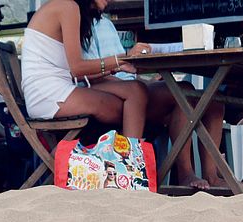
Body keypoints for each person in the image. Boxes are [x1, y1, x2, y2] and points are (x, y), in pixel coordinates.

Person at [81, 11, 226, 190]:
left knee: (215, 103)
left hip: (128, 85)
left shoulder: (106, 23)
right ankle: (186, 173)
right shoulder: (80, 22)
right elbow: (91, 74)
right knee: (183, 91)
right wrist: (132, 75)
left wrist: (144, 81)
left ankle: (212, 175)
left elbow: (122, 67)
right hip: (109, 90)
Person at [21, 0, 149, 139]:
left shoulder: (68, 7)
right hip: (48, 96)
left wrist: (116, 66)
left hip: (59, 88)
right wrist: (122, 58)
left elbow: (75, 72)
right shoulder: (67, 6)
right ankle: (128, 156)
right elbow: (77, 68)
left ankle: (129, 155)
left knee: (136, 89)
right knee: (131, 111)